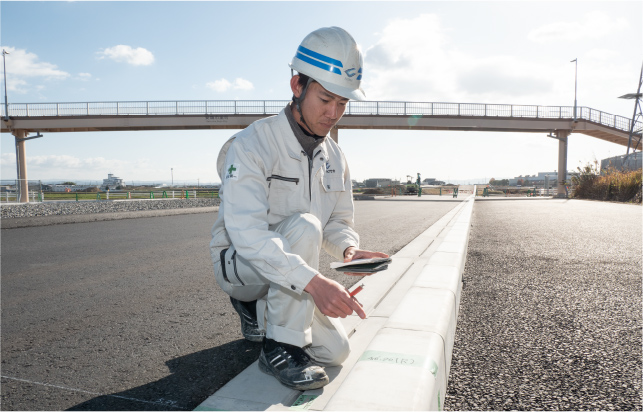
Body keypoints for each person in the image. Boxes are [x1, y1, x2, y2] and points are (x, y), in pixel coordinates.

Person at [209, 26, 388, 391]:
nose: (334, 112)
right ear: (297, 86)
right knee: (305, 226)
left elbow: (337, 221)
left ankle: (262, 316)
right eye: (325, 99)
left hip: (290, 272)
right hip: (241, 265)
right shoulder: (252, 144)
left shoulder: (335, 157)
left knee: (336, 351)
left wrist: (348, 250)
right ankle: (280, 345)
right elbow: (247, 234)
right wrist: (314, 283)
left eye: (343, 103)